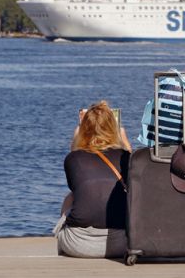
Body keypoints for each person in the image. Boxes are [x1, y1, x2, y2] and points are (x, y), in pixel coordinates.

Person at [54, 100, 132, 258]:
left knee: (71, 197)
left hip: (77, 244)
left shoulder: (73, 158)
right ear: (113, 129)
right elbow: (133, 179)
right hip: (122, 243)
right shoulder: (127, 158)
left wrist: (76, 140)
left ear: (84, 129)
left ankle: (62, 249)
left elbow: (76, 186)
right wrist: (125, 143)